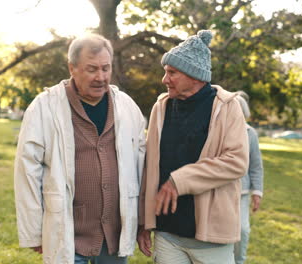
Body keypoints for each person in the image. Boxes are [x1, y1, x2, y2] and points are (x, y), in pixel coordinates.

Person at [14, 34, 146, 264]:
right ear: (72, 68)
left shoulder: (127, 106)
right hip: (66, 231)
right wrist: (33, 231)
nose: (101, 77)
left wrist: (143, 221)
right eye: (92, 69)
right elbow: (27, 173)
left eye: (106, 68)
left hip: (114, 232)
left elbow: (142, 165)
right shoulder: (44, 107)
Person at [137, 30, 249, 264]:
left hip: (210, 240)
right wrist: (144, 220)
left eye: (172, 73)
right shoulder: (161, 106)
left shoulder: (228, 107)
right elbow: (151, 167)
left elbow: (236, 162)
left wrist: (180, 181)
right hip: (167, 234)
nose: (164, 79)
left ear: (194, 76)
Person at [233, 92, 264, 264]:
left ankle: (239, 260)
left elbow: (256, 166)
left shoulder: (250, 133)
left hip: (242, 192)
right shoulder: (218, 129)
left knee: (243, 230)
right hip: (221, 190)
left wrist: (257, 192)